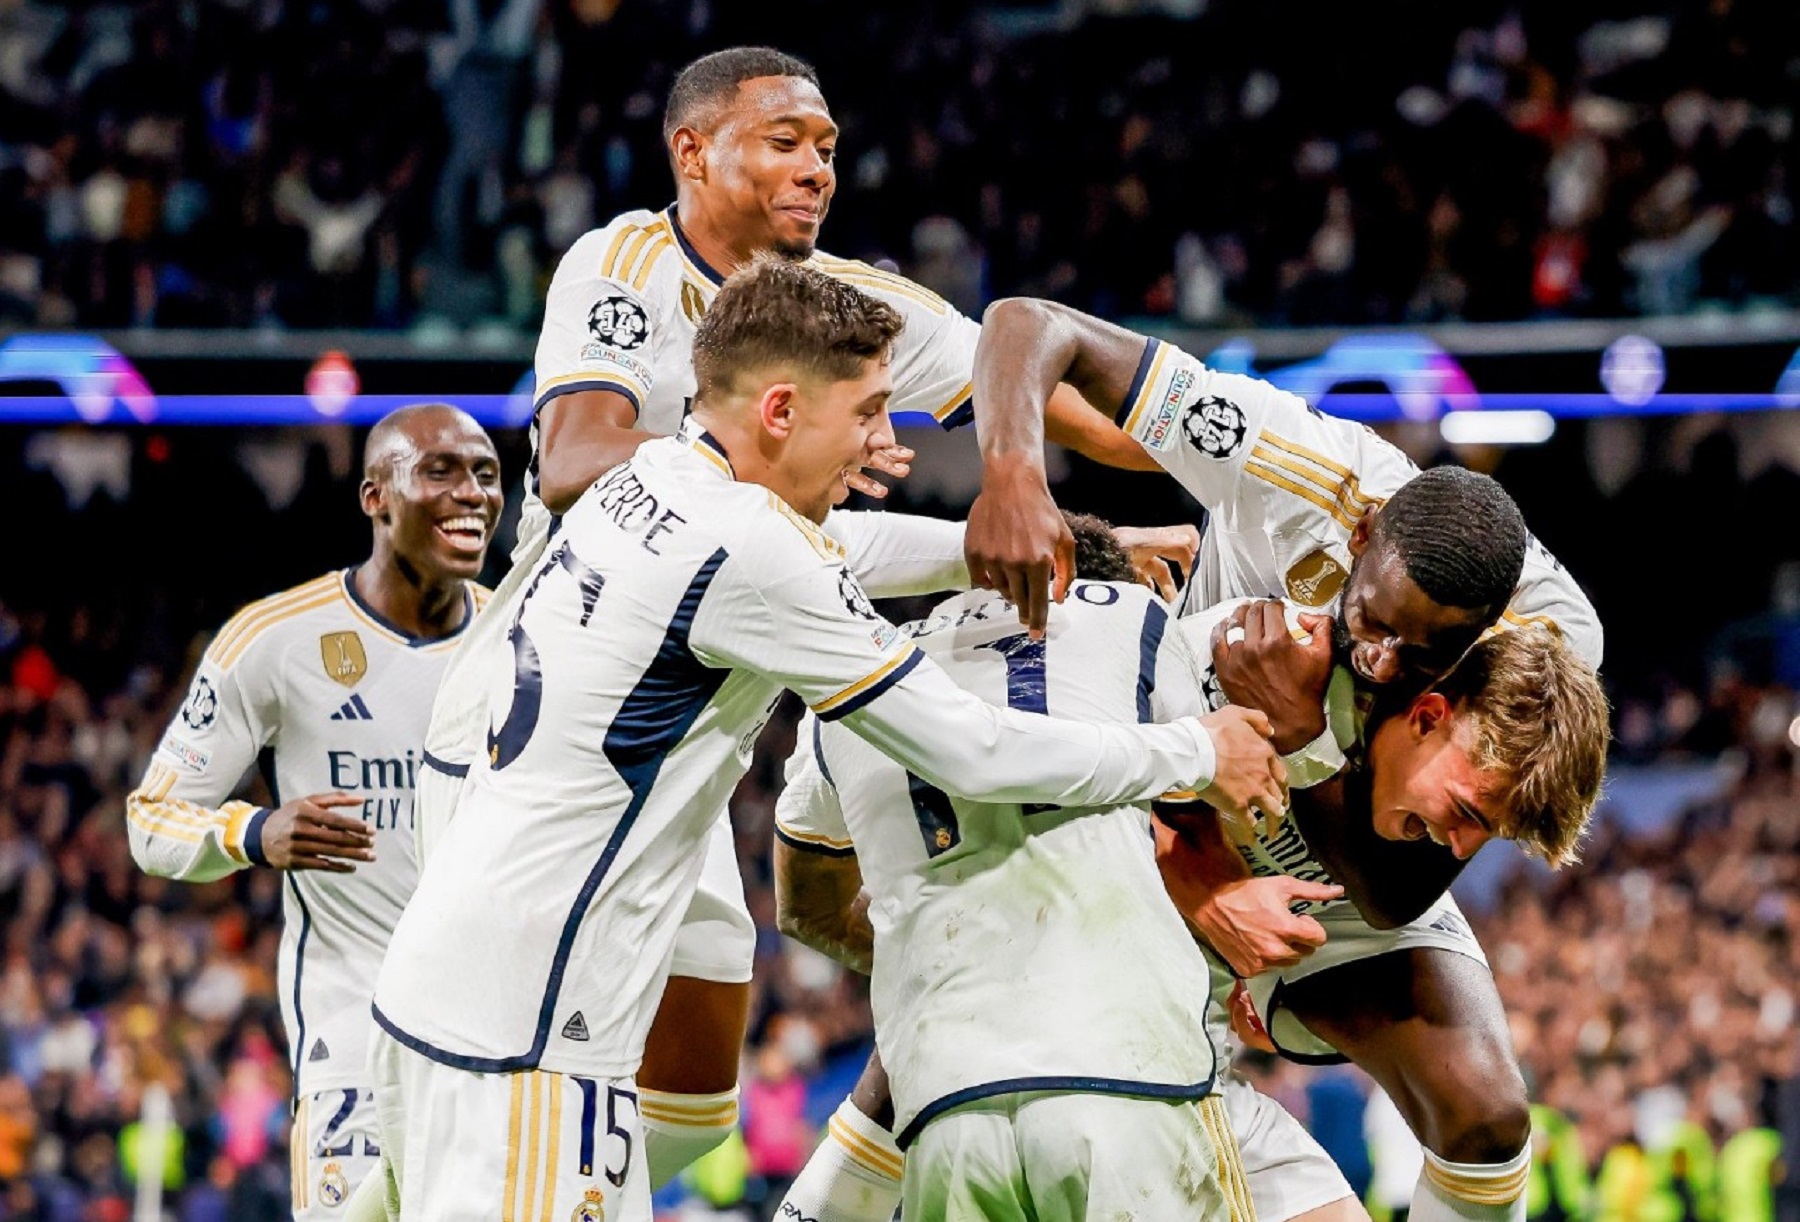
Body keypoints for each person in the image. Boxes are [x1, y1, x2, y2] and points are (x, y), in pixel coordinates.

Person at [367, 260, 1285, 1222]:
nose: (886, 444)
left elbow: (832, 547)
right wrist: (1197, 752)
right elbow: (969, 749)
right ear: (778, 411)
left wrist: (1042, 540)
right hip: (531, 1044)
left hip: (440, 992)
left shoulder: (650, 475)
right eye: (869, 414)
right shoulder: (749, 553)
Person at [411, 47, 1178, 1196]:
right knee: (519, 1080)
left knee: (689, 1099)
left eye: (825, 146)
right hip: (554, 727)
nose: (816, 167)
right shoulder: (623, 263)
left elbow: (1071, 404)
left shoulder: (844, 313)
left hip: (676, 742)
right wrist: (774, 462)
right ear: (694, 153)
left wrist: (1228, 445)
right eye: (783, 141)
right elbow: (573, 461)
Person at [961, 294, 1606, 1222]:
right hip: (1167, 773)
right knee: (953, 1056)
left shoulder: (1547, 654)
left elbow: (1397, 891)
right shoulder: (1295, 464)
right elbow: (1031, 324)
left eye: (1418, 656)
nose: (1380, 660)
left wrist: (1306, 742)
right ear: (1356, 541)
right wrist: (1013, 473)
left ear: (1480, 650)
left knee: (1486, 1115)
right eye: (1371, 623)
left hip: (1339, 844)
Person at [778, 591, 1609, 1222]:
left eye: (1487, 836)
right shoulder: (1251, 653)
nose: (1460, 852)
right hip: (1128, 967)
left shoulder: (1430, 830)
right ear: (1425, 715)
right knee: (983, 979)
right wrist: (1201, 890)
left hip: (1306, 919)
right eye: (1469, 813)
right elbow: (1072, 780)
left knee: (1487, 1114)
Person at [776, 514, 1254, 1220]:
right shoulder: (1137, 614)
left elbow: (803, 905)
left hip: (945, 1105)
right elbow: (1201, 820)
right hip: (1125, 1067)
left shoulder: (854, 678)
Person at [123, 404, 504, 1220]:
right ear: (375, 497)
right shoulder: (274, 640)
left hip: (497, 1042)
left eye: (485, 474)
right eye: (439, 470)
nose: (471, 493)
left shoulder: (522, 639)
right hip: (354, 1040)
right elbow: (151, 820)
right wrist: (257, 831)